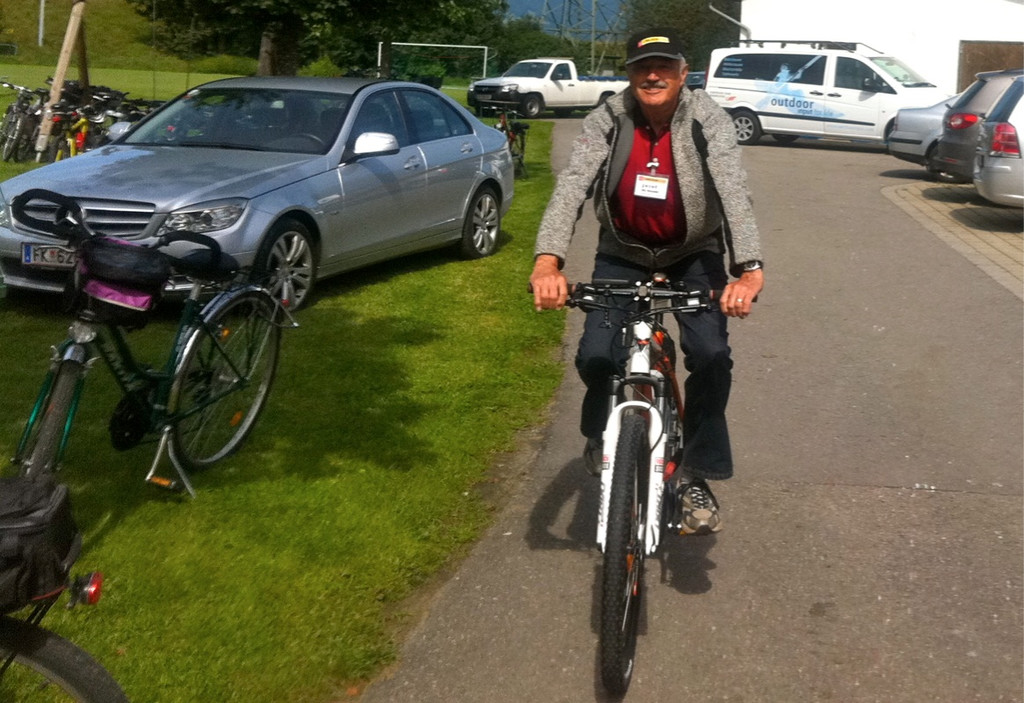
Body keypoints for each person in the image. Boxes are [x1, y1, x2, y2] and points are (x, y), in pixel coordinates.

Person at [528, 27, 764, 536]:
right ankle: (601, 432)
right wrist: (548, 261)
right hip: (624, 252)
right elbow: (572, 186)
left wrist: (748, 268)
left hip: (693, 251)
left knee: (710, 354)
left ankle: (698, 472)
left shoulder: (707, 118)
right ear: (629, 74)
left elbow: (732, 189)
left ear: (683, 73)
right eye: (641, 67)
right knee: (596, 355)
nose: (652, 76)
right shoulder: (609, 117)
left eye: (663, 67)